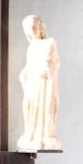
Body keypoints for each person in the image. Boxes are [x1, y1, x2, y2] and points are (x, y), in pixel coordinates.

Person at [17, 14, 62, 151]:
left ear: (40, 27)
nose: (32, 31)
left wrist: (45, 69)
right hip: (33, 81)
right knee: (29, 106)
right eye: (28, 29)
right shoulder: (31, 47)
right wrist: (24, 72)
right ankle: (30, 134)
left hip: (45, 81)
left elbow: (54, 63)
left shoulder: (50, 42)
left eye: (34, 27)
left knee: (43, 107)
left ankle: (43, 137)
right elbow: (29, 66)